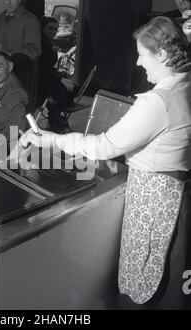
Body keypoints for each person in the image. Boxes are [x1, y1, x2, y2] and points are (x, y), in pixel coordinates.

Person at [20, 16, 191, 308]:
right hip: (178, 196)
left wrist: (51, 139)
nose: (138, 62)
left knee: (144, 277)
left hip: (153, 199)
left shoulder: (157, 101)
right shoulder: (185, 85)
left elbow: (104, 146)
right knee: (170, 269)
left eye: (141, 53)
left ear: (161, 53)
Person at [0, 0, 41, 113]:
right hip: (2, 76)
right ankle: (7, 131)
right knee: (3, 110)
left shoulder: (30, 20)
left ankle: (18, 131)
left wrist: (12, 56)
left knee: (20, 112)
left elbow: (35, 49)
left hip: (23, 75)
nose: (9, 3)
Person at [38, 16, 75, 131]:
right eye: (50, 28)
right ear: (42, 29)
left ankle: (56, 121)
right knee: (65, 92)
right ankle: (57, 123)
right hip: (43, 83)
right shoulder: (45, 45)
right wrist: (62, 80)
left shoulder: (47, 43)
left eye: (55, 29)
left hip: (48, 80)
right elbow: (46, 71)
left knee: (67, 90)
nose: (53, 32)